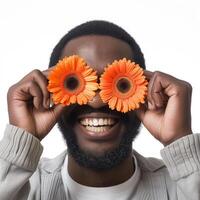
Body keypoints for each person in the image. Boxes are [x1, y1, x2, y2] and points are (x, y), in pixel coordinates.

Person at [0, 20, 199, 200]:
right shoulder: (22, 187)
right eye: (73, 82)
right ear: (50, 91)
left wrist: (179, 140)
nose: (96, 101)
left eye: (121, 84)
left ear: (145, 90)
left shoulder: (181, 185)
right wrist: (20, 144)